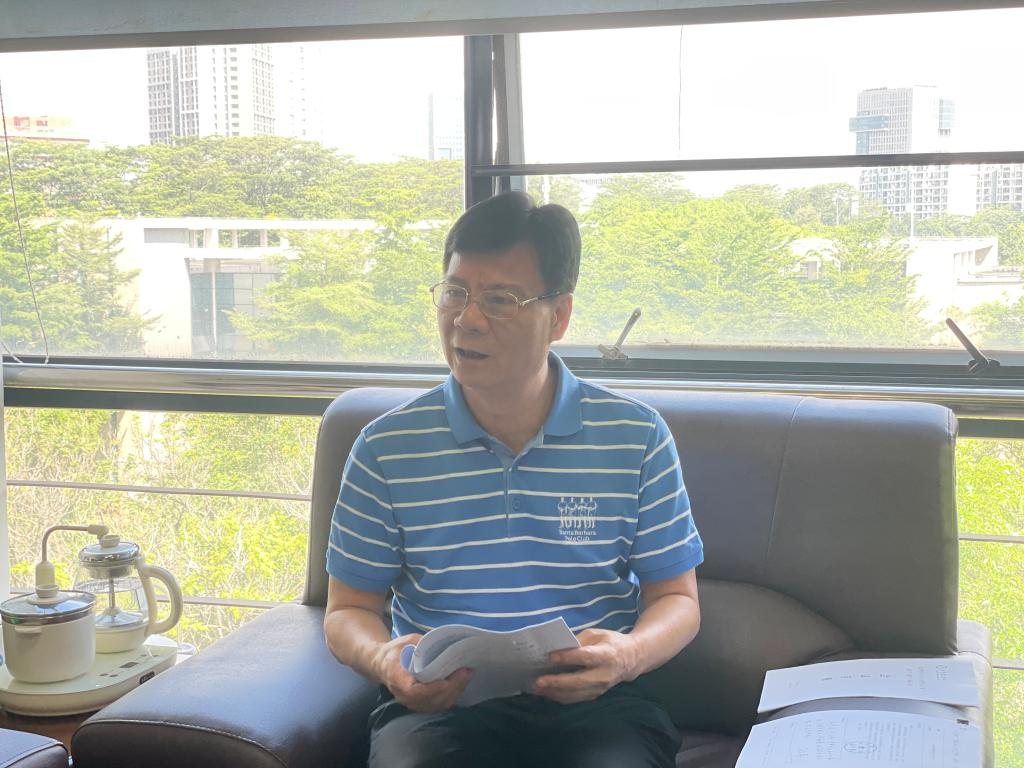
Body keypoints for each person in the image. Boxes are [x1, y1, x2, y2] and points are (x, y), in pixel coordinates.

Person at [324, 191, 703, 768]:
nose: (466, 320)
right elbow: (345, 610)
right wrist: (383, 661)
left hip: (599, 705)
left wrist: (628, 655)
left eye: (500, 299)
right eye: (455, 293)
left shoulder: (635, 435)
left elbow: (677, 598)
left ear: (559, 317)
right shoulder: (386, 446)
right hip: (441, 708)